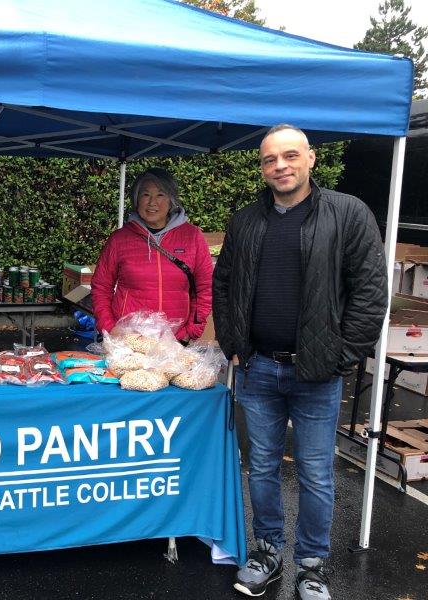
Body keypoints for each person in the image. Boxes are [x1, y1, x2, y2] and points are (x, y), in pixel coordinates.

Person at [213, 124, 387, 600]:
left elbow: (371, 292)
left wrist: (342, 355)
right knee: (263, 467)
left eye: (290, 156)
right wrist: (233, 341)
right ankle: (267, 552)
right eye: (270, 159)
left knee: (314, 473)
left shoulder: (348, 214)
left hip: (317, 373)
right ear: (262, 167)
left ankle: (311, 565)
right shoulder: (246, 220)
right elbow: (224, 284)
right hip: (259, 367)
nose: (280, 166)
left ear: (311, 158)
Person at [91, 167, 213, 341]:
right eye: (146, 194)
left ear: (171, 200)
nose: (152, 203)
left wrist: (191, 330)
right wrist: (109, 328)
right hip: (128, 341)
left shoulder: (192, 236)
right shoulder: (119, 239)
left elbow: (205, 288)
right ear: (136, 199)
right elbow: (101, 287)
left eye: (160, 195)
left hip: (174, 342)